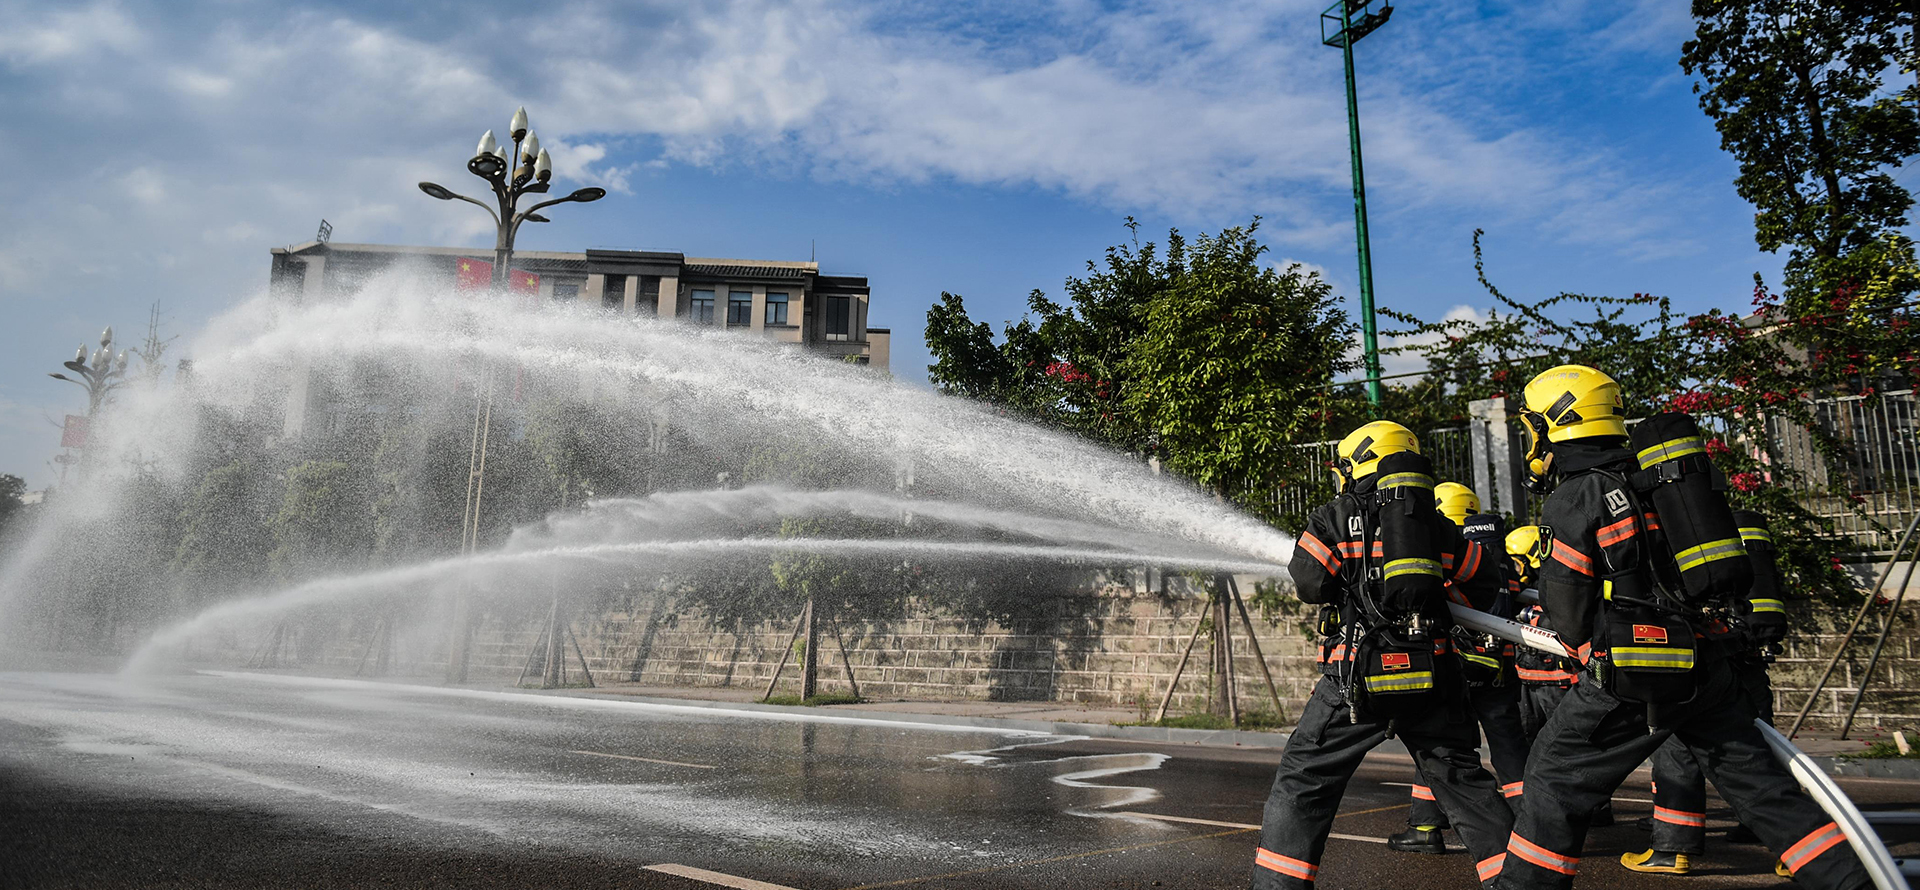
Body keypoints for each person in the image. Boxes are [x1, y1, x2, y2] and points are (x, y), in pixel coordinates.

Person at [1491, 365, 1870, 890]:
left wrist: (1584, 648)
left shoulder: (1580, 492)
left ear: (1556, 422)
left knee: (1554, 779)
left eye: (1532, 422)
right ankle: (1851, 881)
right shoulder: (1658, 478)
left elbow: (1566, 606)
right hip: (1707, 665)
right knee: (1761, 791)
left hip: (1632, 670)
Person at [1256, 421, 1514, 889]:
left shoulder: (1334, 515)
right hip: (1432, 675)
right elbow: (1483, 579)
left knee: (1304, 779)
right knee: (1463, 783)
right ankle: (1516, 884)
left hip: (1355, 683)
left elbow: (1310, 584)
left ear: (1356, 464)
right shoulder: (1431, 523)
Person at [1621, 509, 1791, 874]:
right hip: (1751, 650)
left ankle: (1672, 848)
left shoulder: (1679, 525)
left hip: (1705, 656)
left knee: (1676, 749)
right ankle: (1792, 849)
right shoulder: (1731, 535)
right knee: (1759, 750)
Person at [1388, 486, 1531, 855]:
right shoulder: (1499, 553)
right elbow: (1512, 595)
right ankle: (1531, 827)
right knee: (1509, 747)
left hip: (1458, 664)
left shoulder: (1449, 549)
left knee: (1438, 743)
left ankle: (1425, 828)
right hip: (1500, 666)